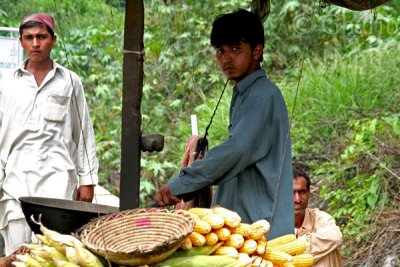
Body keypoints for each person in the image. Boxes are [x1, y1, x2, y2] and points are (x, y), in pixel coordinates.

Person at [156, 9, 293, 239]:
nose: (226, 58)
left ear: (257, 51)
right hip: (242, 229)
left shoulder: (261, 97)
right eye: (220, 51)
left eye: (235, 49)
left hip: (261, 230)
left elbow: (235, 152)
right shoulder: (245, 93)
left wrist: (181, 184)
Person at [0, 13, 99, 255]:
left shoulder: (70, 82)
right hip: (16, 179)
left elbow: (83, 130)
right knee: (18, 253)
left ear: (53, 40)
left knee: (52, 252)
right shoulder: (7, 83)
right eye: (29, 37)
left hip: (57, 180)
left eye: (42, 37)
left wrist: (87, 179)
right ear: (21, 41)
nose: (35, 43)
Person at [293, 168, 344, 266]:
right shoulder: (272, 225)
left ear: (309, 193)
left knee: (328, 250)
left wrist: (297, 246)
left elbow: (336, 236)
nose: (297, 199)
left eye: (302, 192)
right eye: (292, 193)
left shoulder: (319, 218)